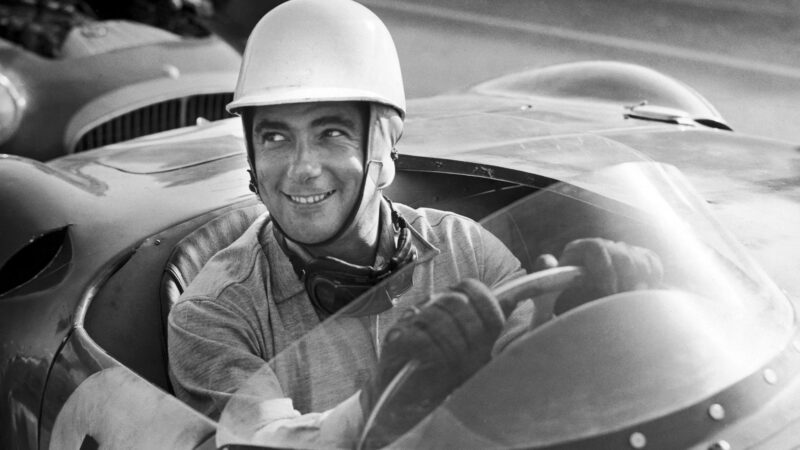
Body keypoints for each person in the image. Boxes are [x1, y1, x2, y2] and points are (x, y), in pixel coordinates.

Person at [167, 0, 662, 448]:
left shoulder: (463, 247)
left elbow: (537, 398)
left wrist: (590, 329)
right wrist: (384, 401)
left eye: (332, 133)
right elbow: (257, 443)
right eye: (275, 137)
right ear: (250, 154)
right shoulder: (212, 315)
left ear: (384, 146)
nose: (300, 168)